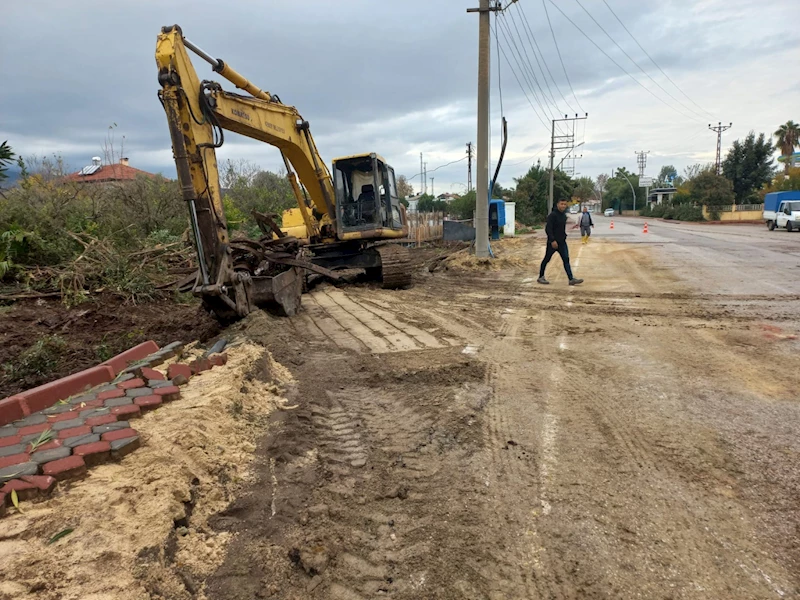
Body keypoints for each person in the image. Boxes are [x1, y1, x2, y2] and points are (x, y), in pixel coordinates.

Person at [538, 199, 584, 286]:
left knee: (566, 259)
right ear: (557, 204)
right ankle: (541, 277)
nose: (563, 206)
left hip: (562, 242)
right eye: (561, 204)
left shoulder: (563, 215)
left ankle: (571, 279)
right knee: (547, 259)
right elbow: (548, 229)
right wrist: (552, 240)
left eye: (565, 204)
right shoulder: (552, 215)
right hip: (553, 243)